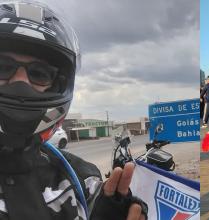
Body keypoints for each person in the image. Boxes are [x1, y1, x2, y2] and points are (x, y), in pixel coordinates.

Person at [0, 1, 147, 220]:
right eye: (3, 67)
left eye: (39, 74)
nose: (21, 84)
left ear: (57, 84)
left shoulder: (80, 179)